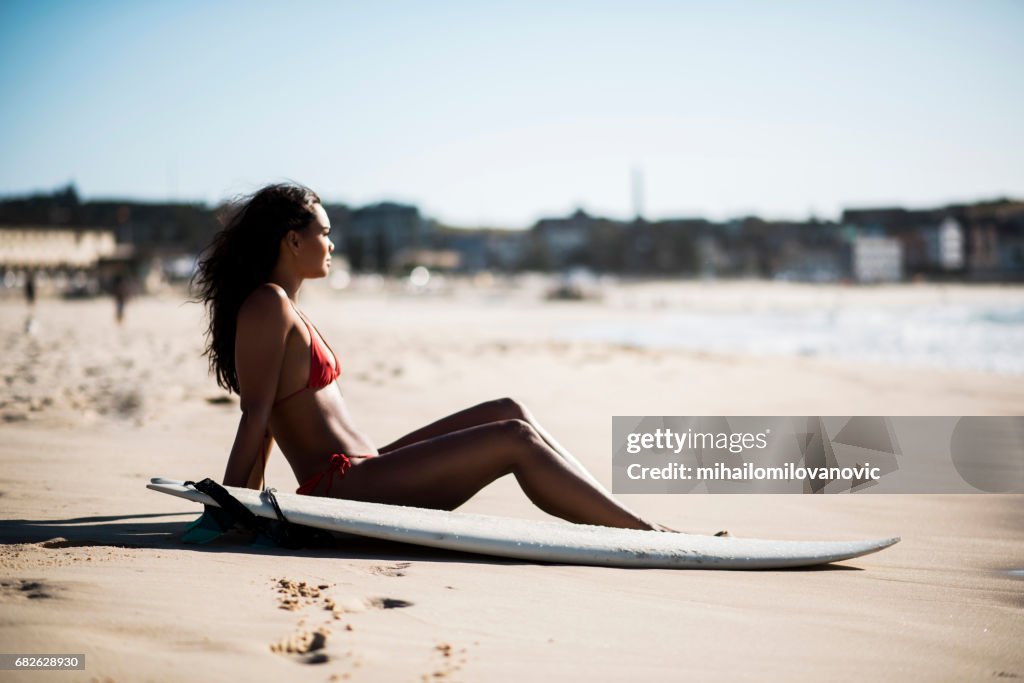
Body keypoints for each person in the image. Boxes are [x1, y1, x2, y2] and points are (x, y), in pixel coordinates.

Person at [192, 182, 676, 532]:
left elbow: (272, 415)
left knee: (508, 409)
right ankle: (639, 532)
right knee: (515, 439)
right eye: (324, 232)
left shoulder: (285, 305)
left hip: (368, 469)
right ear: (292, 240)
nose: (332, 243)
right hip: (344, 489)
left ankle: (616, 515)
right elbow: (257, 416)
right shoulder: (267, 304)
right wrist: (233, 509)